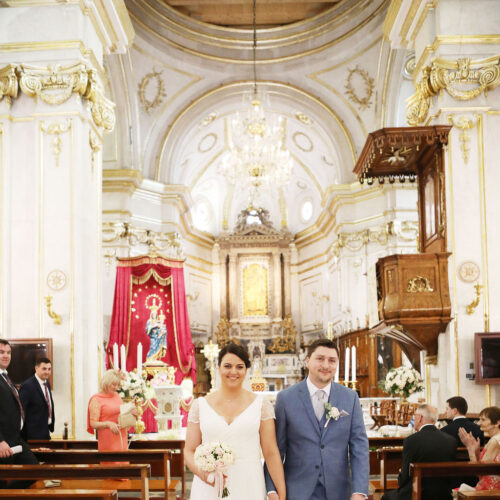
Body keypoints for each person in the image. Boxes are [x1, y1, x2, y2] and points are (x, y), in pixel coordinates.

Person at [265, 338, 369, 500]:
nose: (326, 365)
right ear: (307, 361)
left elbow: (359, 448)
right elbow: (275, 450)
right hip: (297, 491)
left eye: (332, 360)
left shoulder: (350, 398)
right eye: (320, 359)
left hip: (340, 491)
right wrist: (272, 490)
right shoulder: (286, 399)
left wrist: (359, 491)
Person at [185, 343, 286, 500]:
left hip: (249, 482)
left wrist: (282, 493)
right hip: (210, 486)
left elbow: (271, 452)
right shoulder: (200, 405)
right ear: (218, 368)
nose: (233, 371)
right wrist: (206, 476)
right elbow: (189, 450)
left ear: (246, 370)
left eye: (240, 367)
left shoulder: (261, 405)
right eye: (227, 366)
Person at [381, 404, 457, 500]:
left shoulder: (411, 440)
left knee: (386, 497)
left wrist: (401, 474)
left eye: (414, 416)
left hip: (417, 493)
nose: (413, 419)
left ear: (420, 418)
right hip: (443, 494)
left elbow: (403, 479)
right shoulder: (451, 440)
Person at [0, 338, 39, 489]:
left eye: (8, 353)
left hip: (16, 439)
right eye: (1, 352)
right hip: (3, 441)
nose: (6, 356)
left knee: (34, 471)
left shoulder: (6, 377)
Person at [441, 396, 484, 487]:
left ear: (455, 411)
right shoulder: (478, 429)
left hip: (452, 474)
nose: (445, 412)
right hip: (474, 474)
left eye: (447, 409)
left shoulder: (444, 430)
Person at [459, 406, 500, 491]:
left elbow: (479, 471)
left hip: (490, 490)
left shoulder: (495, 441)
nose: (478, 423)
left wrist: (470, 449)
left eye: (483, 420)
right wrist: (477, 452)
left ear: (497, 423)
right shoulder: (495, 439)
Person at [87, 369, 129, 452]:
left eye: (118, 385)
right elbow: (93, 424)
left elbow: (122, 415)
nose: (116, 388)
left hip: (121, 436)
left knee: (123, 463)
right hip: (107, 438)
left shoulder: (117, 396)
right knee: (110, 462)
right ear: (106, 382)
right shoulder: (96, 399)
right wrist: (108, 424)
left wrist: (131, 414)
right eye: (114, 384)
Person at [19, 357, 55, 440]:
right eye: (44, 369)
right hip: (32, 436)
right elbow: (21, 412)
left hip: (46, 432)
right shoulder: (27, 386)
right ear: (36, 368)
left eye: (49, 369)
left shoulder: (47, 384)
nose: (47, 372)